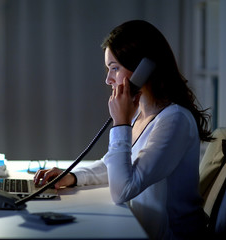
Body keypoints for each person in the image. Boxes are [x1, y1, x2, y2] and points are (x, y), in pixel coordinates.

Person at [34, 20, 212, 239]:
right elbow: (113, 165)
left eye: (114, 68)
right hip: (141, 228)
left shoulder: (174, 120)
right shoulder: (141, 112)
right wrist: (72, 176)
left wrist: (121, 123)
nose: (108, 79)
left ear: (144, 68)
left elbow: (123, 190)